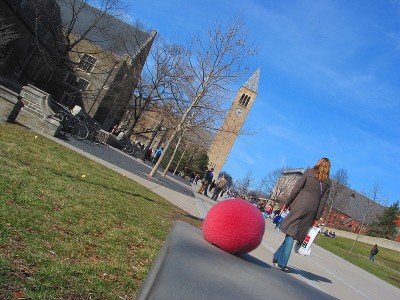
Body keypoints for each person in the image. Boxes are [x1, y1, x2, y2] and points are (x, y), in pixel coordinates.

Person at [272, 157, 331, 271]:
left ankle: (282, 263)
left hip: (299, 205)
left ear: (318, 163)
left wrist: (287, 203)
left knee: (291, 233)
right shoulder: (328, 182)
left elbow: (297, 188)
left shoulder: (309, 172)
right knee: (292, 233)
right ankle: (276, 256)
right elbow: (323, 201)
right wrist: (317, 217)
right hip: (311, 210)